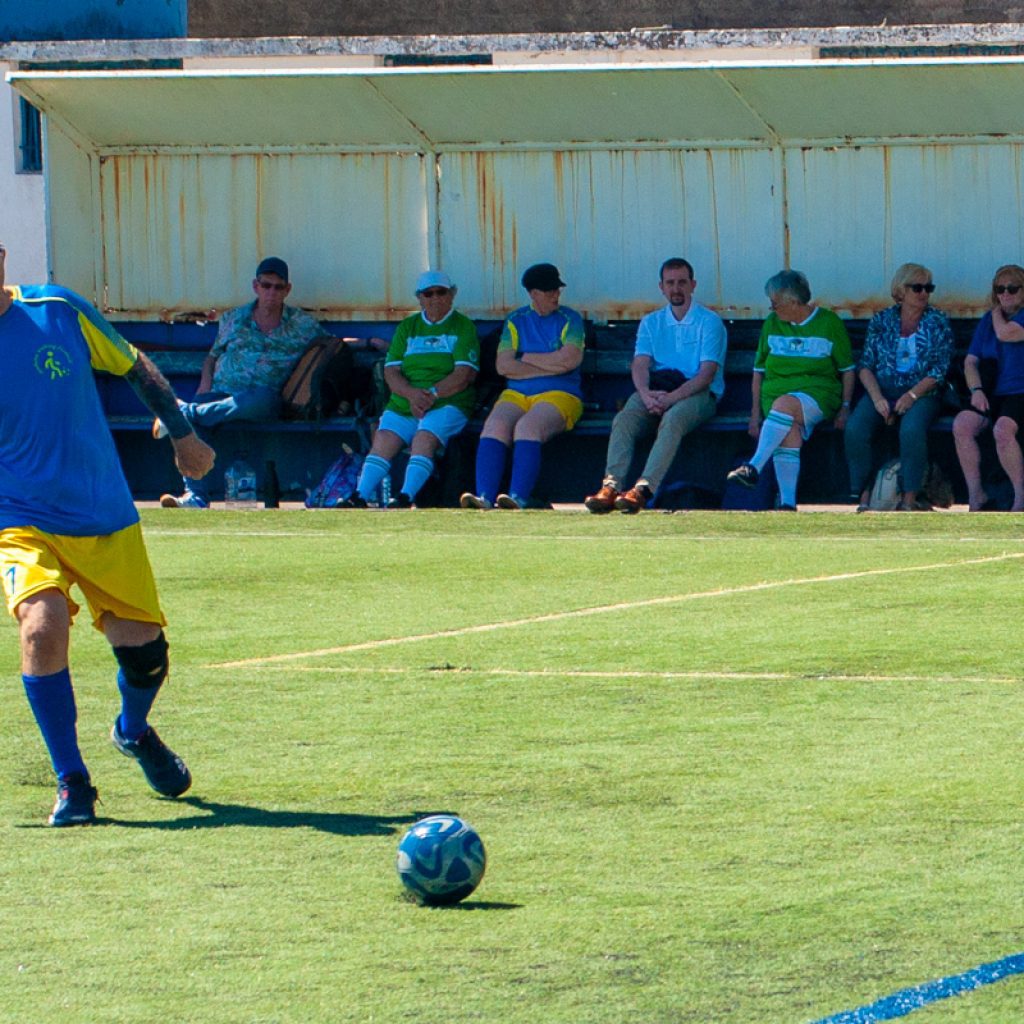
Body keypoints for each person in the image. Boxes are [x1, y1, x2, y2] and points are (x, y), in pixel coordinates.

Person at [0, 241, 216, 826]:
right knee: (41, 627)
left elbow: (132, 363)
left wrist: (181, 433)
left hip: (103, 513)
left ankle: (133, 729)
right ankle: (73, 783)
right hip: (18, 520)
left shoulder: (57, 309)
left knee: (145, 655)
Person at [157, 257, 386, 508]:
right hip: (220, 394)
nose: (271, 293)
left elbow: (331, 345)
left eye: (278, 287)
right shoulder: (233, 319)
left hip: (263, 400)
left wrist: (368, 342)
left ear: (287, 290)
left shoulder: (300, 324)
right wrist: (204, 384)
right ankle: (196, 497)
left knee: (257, 400)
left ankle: (183, 411)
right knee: (197, 423)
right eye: (266, 286)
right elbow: (212, 357)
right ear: (256, 286)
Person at [584, 258, 727, 513]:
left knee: (672, 420)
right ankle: (611, 485)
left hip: (698, 394)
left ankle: (643, 490)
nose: (676, 289)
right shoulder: (651, 322)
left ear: (693, 285)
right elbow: (640, 365)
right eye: (670, 283)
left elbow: (706, 375)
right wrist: (646, 395)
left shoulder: (709, 322)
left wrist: (669, 400)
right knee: (624, 420)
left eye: (682, 282)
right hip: (657, 390)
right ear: (661, 287)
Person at [348, 271, 479, 508]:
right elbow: (391, 371)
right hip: (406, 402)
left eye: (441, 292)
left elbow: (464, 375)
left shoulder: (463, 327)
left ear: (452, 294)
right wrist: (411, 395)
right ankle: (359, 496)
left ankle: (406, 496)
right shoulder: (408, 327)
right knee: (384, 437)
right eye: (428, 293)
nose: (435, 298)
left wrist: (430, 395)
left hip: (448, 403)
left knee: (424, 437)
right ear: (419, 297)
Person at [460, 263, 585, 510]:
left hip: (561, 393)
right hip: (516, 392)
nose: (555, 295)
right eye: (548, 291)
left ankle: (518, 497)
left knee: (527, 427)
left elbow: (570, 360)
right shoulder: (516, 320)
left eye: (557, 290)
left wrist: (527, 358)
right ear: (532, 293)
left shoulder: (570, 318)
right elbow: (504, 366)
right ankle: (484, 497)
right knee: (494, 425)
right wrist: (552, 362)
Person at [727, 269, 855, 510]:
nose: (772, 309)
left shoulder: (829, 323)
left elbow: (848, 369)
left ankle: (753, 466)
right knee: (788, 429)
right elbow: (758, 372)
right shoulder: (772, 324)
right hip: (775, 400)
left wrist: (845, 407)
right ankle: (787, 504)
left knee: (784, 406)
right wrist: (755, 413)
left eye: (775, 304)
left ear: (794, 302)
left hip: (817, 394)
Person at [844, 263, 953, 512]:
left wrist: (912, 395)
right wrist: (877, 398)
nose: (924, 293)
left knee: (912, 429)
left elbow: (939, 369)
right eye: (917, 288)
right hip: (882, 389)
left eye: (928, 288)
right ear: (901, 291)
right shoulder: (882, 320)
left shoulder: (938, 321)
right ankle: (864, 496)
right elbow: (866, 366)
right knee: (856, 428)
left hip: (923, 392)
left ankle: (909, 498)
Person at [953, 264, 1024, 511]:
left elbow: (1006, 334)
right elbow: (970, 361)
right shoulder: (987, 322)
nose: (1005, 294)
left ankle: (1019, 497)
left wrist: (995, 312)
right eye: (999, 289)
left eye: (1012, 289)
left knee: (1003, 430)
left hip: (1019, 391)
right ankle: (976, 495)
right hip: (992, 389)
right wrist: (976, 390)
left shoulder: (1006, 319)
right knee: (962, 424)